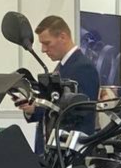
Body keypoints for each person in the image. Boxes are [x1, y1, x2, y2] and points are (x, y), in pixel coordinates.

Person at [18, 15, 100, 153]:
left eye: (47, 43)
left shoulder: (83, 68)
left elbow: (80, 113)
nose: (43, 49)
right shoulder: (63, 67)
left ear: (63, 37)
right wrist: (32, 107)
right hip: (56, 152)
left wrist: (38, 108)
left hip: (68, 152)